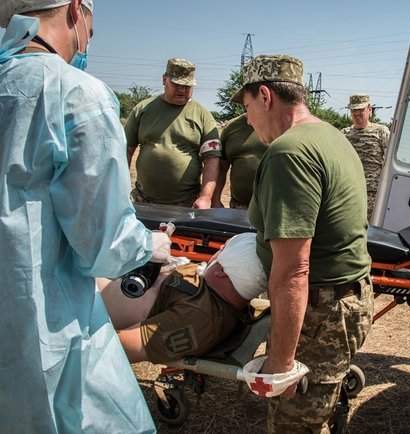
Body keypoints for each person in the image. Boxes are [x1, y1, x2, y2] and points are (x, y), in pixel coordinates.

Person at [0, 1, 172, 433]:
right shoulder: (77, 95)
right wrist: (150, 245)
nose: (91, 36)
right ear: (77, 10)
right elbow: (103, 245)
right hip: (43, 328)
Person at [232, 54, 374, 433]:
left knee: (294, 426)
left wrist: (281, 363)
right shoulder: (330, 135)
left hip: (322, 311)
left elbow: (294, 270)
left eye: (247, 107)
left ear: (265, 96)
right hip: (343, 300)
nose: (247, 119)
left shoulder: (289, 152)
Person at [100, 232, 268, 363]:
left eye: (221, 251)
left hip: (91, 301)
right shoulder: (220, 293)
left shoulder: (199, 319)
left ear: (220, 273)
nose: (216, 253)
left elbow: (119, 348)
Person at [125, 58, 221, 208]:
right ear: (164, 80)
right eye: (177, 85)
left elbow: (212, 159)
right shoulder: (143, 110)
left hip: (186, 204)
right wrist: (121, 188)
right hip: (143, 201)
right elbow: (126, 151)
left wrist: (205, 197)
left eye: (187, 86)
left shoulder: (203, 116)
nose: (182, 90)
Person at [341, 94, 390, 220]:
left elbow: (389, 162)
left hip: (372, 193)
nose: (357, 114)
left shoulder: (381, 131)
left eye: (360, 110)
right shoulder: (344, 134)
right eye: (353, 111)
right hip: (348, 192)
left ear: (369, 109)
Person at [212, 113, 268, 208]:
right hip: (240, 206)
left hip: (274, 208)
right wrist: (215, 200)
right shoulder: (232, 127)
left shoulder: (282, 123)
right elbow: (221, 168)